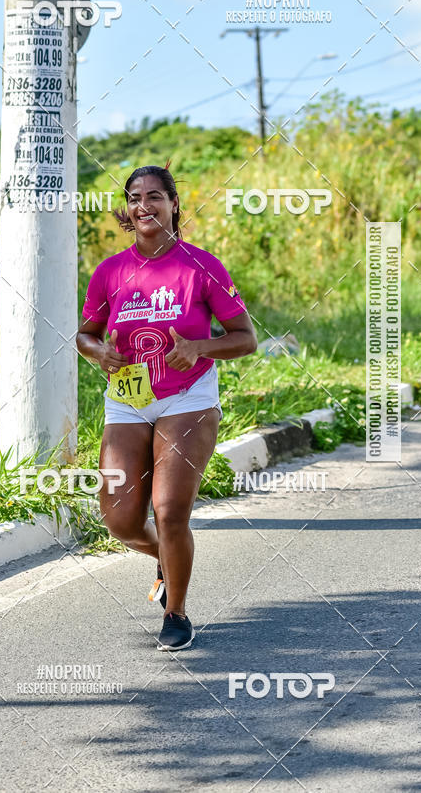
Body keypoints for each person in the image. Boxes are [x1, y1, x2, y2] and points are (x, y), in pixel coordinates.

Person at [76, 163, 257, 651]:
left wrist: (199, 348)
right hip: (128, 400)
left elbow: (245, 338)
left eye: (155, 196)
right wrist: (99, 353)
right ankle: (166, 556)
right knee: (119, 519)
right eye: (135, 198)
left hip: (188, 398)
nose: (144, 206)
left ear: (174, 204)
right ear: (127, 209)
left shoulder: (202, 266)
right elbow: (84, 335)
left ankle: (175, 612)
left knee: (170, 510)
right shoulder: (110, 271)